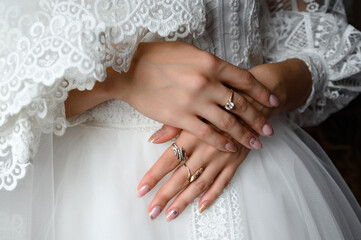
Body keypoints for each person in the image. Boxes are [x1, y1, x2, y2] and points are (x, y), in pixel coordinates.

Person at [0, 0, 361, 239]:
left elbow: (315, 28)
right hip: (89, 196)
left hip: (262, 170)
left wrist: (267, 91)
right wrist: (123, 75)